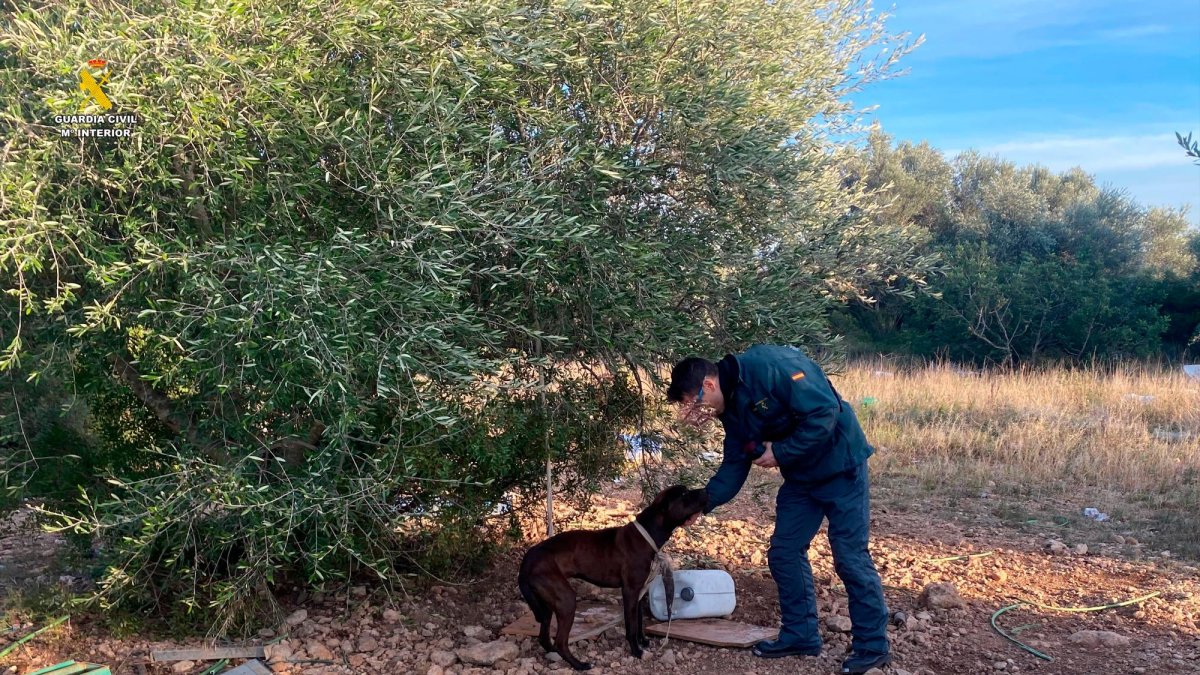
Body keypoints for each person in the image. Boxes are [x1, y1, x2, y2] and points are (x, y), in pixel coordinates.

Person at [667, 344, 890, 675]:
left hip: (842, 466)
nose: (699, 411)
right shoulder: (731, 409)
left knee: (849, 557)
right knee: (784, 552)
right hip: (803, 479)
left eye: (696, 401)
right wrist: (702, 502)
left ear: (709, 385)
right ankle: (801, 636)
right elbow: (734, 464)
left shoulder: (771, 367)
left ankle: (872, 647)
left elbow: (824, 412)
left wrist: (781, 452)